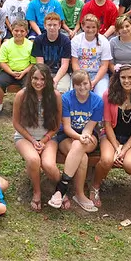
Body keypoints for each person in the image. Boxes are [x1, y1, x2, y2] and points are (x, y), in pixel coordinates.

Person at [91, 64, 131, 208]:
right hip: (111, 134)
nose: (126, 81)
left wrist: (123, 150)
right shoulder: (108, 95)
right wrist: (117, 147)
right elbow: (107, 124)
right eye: (123, 77)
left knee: (130, 165)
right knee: (106, 160)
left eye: (130, 77)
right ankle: (95, 186)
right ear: (118, 78)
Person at [48, 70, 102, 212]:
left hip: (89, 136)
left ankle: (61, 188)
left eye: (85, 83)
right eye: (78, 84)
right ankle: (79, 195)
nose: (82, 87)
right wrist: (78, 137)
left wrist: (83, 136)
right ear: (73, 85)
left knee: (79, 145)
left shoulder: (97, 101)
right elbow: (66, 127)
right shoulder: (66, 99)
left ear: (90, 84)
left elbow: (89, 127)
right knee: (82, 157)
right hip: (67, 136)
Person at [12, 64, 62, 211]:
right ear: (30, 78)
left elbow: (57, 125)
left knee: (49, 166)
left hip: (48, 137)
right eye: (35, 78)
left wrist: (44, 140)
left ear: (48, 80)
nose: (38, 82)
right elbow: (16, 123)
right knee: (34, 160)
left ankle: (61, 188)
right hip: (25, 137)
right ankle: (37, 191)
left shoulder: (55, 96)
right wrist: (33, 141)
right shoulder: (21, 95)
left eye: (42, 79)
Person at [0, 19, 35, 117]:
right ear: (12, 31)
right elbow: (2, 62)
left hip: (25, 71)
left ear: (26, 32)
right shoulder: (6, 45)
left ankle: (25, 107)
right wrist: (11, 72)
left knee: (28, 86)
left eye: (22, 31)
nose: (19, 33)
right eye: (16, 30)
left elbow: (33, 63)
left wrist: (24, 72)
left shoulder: (31, 45)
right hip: (9, 71)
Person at [71, 14, 112, 96]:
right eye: (88, 27)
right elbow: (74, 62)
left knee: (101, 95)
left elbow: (104, 65)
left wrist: (94, 82)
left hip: (98, 75)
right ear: (83, 26)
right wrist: (82, 79)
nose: (90, 30)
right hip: (80, 73)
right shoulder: (76, 40)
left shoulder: (104, 41)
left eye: (93, 27)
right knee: (75, 94)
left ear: (97, 28)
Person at [33, 12, 72, 92]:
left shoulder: (65, 41)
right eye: (49, 25)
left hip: (61, 73)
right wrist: (46, 78)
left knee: (62, 89)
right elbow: (40, 64)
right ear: (45, 26)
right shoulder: (39, 40)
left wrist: (55, 80)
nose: (52, 27)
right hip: (44, 71)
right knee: (40, 86)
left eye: (55, 25)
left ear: (59, 26)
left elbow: (64, 65)